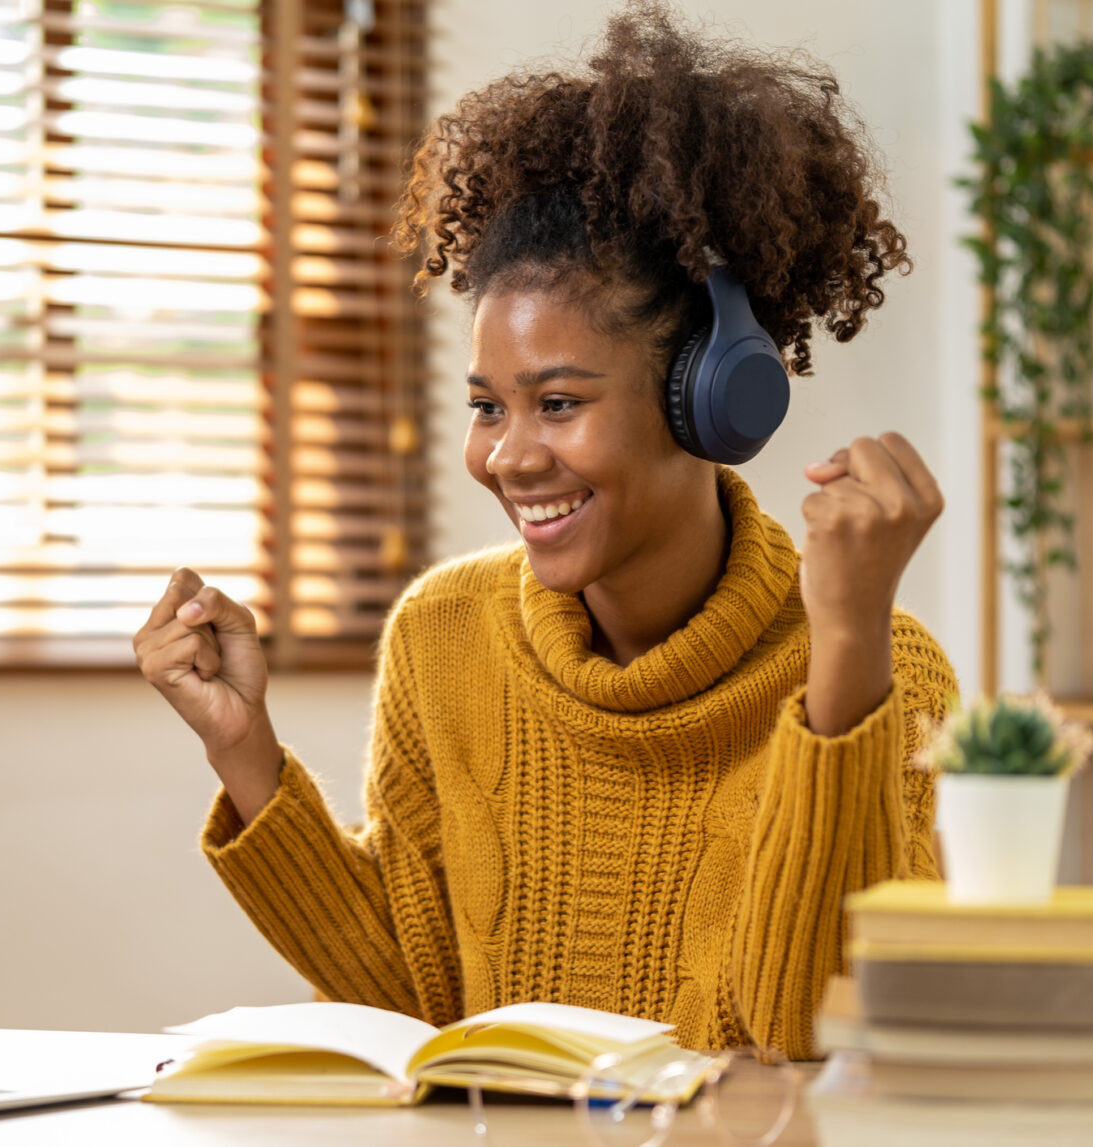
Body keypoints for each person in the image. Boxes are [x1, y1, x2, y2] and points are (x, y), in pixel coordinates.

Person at [133, 2, 957, 1060]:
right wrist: (242, 749)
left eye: (557, 403)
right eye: (488, 406)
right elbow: (412, 1000)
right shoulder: (445, 634)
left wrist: (846, 652)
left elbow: (809, 1040)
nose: (508, 457)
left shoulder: (892, 677)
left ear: (708, 400)